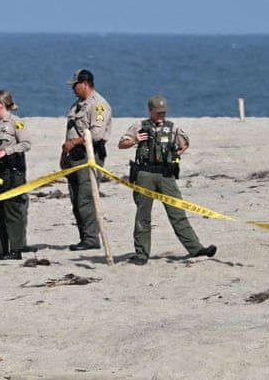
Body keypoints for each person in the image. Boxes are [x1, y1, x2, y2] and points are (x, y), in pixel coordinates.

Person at [117, 95, 217, 265]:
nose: (161, 116)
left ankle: (196, 248)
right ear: (150, 111)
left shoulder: (173, 128)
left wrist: (175, 155)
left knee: (177, 212)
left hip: (166, 176)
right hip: (144, 174)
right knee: (143, 216)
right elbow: (121, 144)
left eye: (163, 113)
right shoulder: (139, 126)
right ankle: (141, 254)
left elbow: (185, 143)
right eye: (158, 113)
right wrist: (135, 140)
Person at [60, 69, 113, 251]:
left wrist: (75, 142)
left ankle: (91, 239)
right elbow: (70, 132)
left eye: (75, 85)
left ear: (85, 84)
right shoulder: (77, 106)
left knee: (86, 198)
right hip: (74, 157)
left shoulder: (98, 105)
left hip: (89, 155)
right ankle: (84, 237)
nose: (73, 89)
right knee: (75, 199)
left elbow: (96, 134)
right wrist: (64, 155)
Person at [0, 90, 31, 261]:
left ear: (1, 104)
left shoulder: (15, 123)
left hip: (12, 172)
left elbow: (26, 144)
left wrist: (6, 152)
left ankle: (16, 250)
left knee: (13, 211)